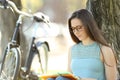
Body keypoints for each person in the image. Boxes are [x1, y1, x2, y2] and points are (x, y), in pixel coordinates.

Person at [48, 9, 117, 80]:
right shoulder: (72, 49)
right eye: (73, 29)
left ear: (88, 25)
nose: (76, 32)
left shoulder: (105, 50)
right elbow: (69, 76)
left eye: (79, 28)